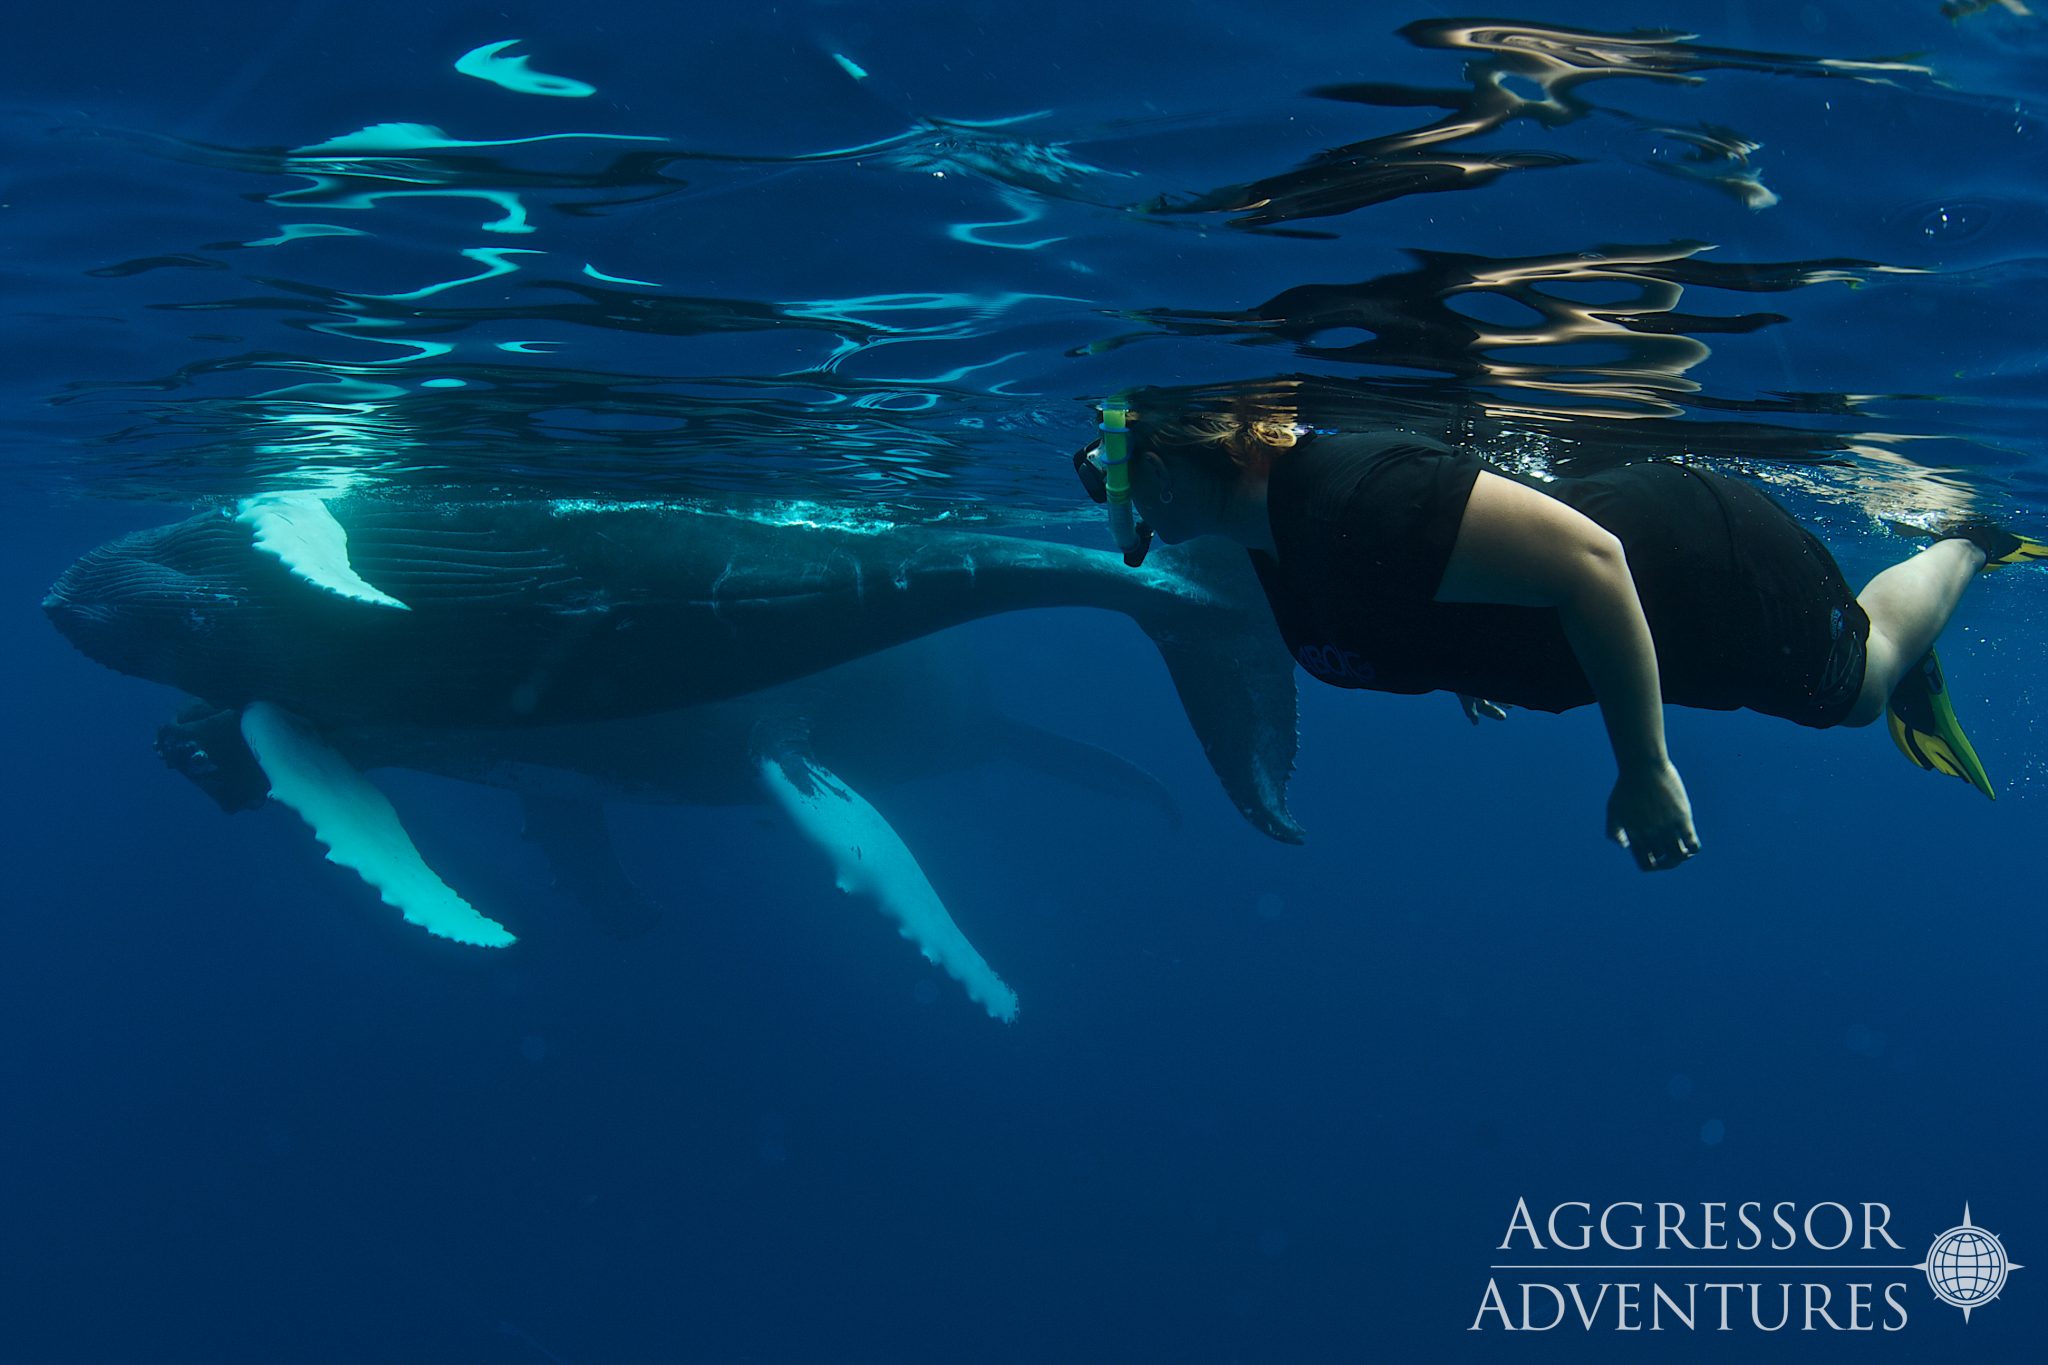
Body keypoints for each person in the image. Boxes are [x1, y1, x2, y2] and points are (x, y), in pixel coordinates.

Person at [1073, 397, 2043, 872]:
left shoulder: (1351, 500)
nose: (1110, 498)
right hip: (1629, 599)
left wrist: (1644, 767)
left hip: (1699, 569)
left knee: (1861, 685)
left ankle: (1964, 542)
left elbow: (1590, 566)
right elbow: (1408, 577)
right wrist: (1450, 647)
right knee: (1855, 686)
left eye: (1107, 473)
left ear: (1159, 473)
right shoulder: (1279, 534)